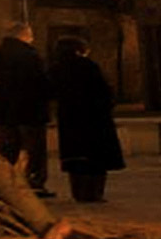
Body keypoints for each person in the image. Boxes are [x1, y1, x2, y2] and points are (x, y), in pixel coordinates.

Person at [0, 22, 54, 197]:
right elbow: (42, 83)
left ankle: (4, 184)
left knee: (6, 150)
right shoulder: (31, 56)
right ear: (24, 35)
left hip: (3, 111)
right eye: (30, 35)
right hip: (31, 111)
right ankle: (34, 183)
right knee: (34, 151)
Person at [49, 36, 125, 202]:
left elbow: (50, 91)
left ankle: (79, 192)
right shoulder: (88, 66)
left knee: (75, 158)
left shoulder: (56, 69)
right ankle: (94, 193)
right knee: (96, 157)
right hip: (94, 118)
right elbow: (103, 91)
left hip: (69, 118)